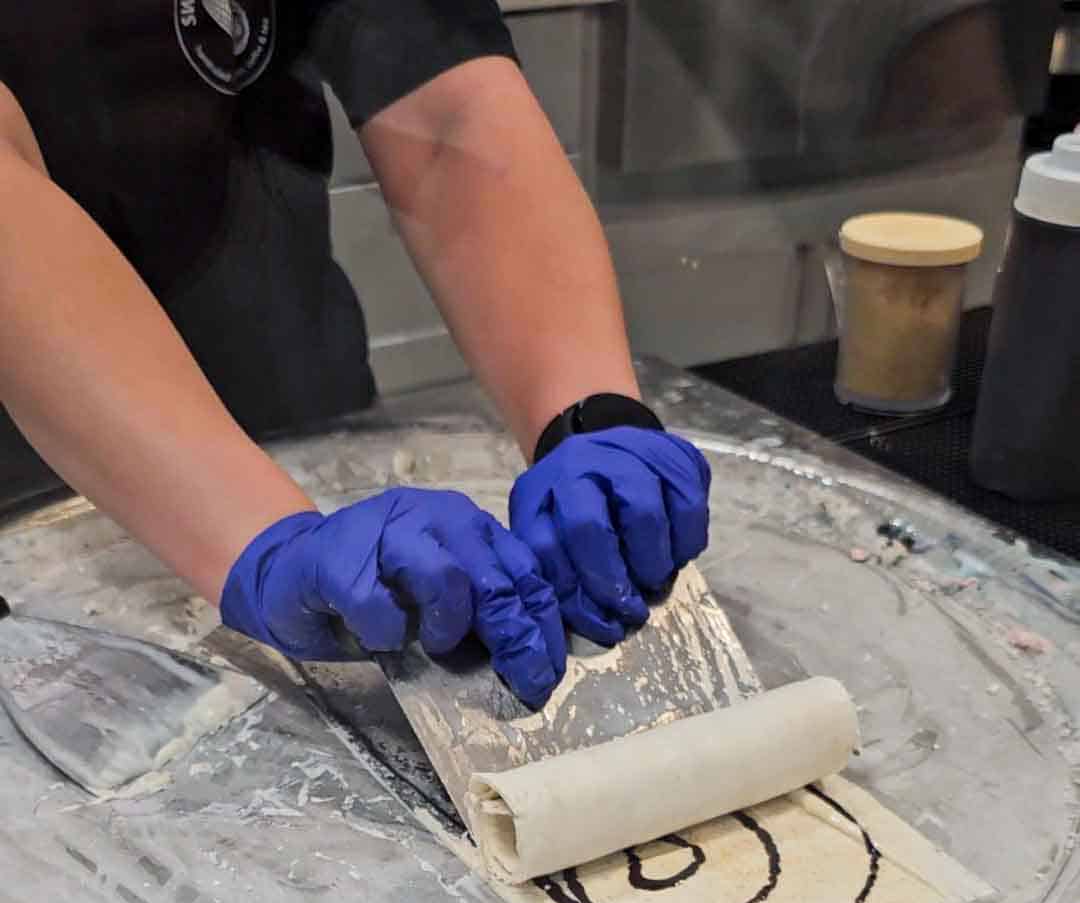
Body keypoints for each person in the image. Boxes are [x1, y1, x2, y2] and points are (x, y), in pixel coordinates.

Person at [0, 2, 710, 708]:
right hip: (26, 500)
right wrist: (251, 535)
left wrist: (582, 411)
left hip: (297, 392)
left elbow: (440, 107)